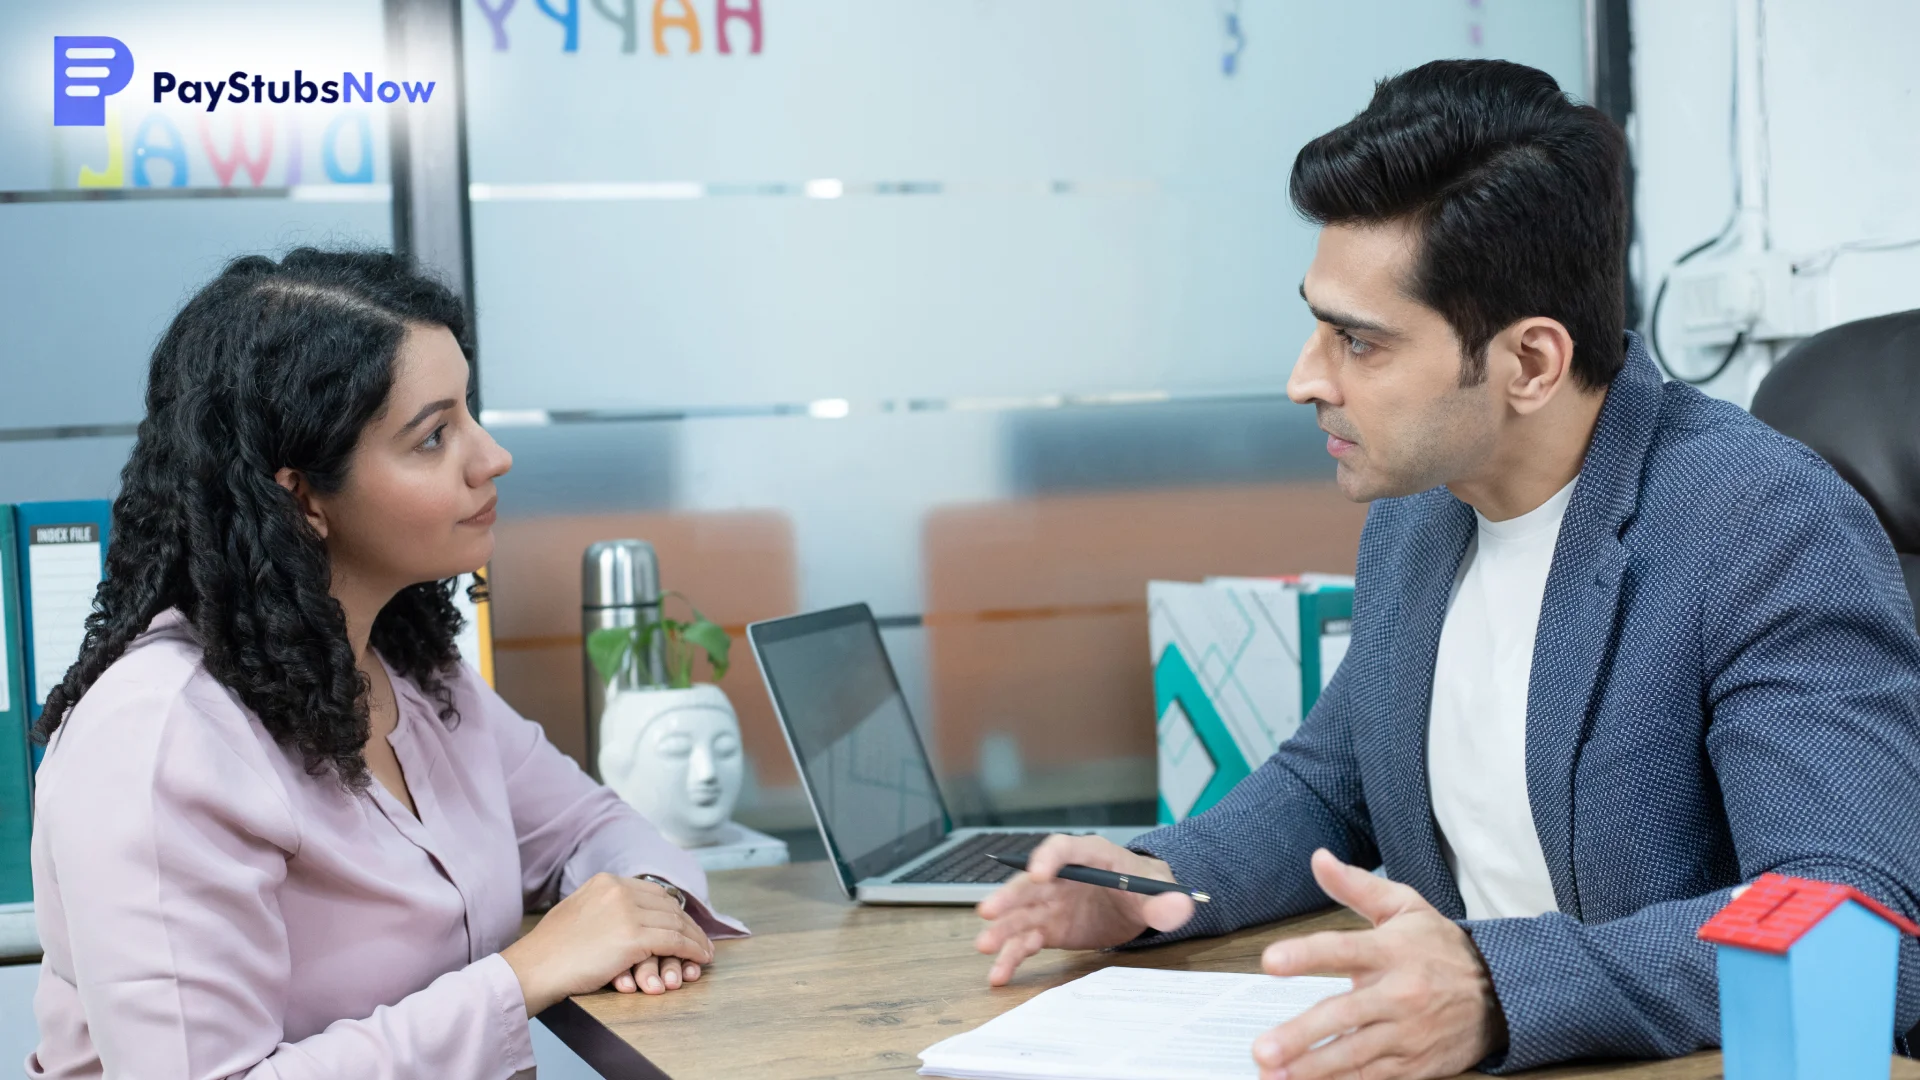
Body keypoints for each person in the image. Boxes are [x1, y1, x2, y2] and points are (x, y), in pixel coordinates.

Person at [975, 59, 1920, 1079]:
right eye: (1317, 322)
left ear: (1528, 364)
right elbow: (1332, 786)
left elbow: (1855, 914)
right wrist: (1156, 879)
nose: (1305, 379)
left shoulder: (1760, 523)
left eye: (1360, 344)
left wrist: (1497, 987)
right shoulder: (1428, 505)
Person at [27, 249, 745, 1079]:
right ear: (300, 497)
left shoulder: (408, 668)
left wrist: (644, 917)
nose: (492, 457)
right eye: (434, 436)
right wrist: (529, 972)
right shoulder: (158, 738)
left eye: (469, 411)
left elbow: (588, 827)